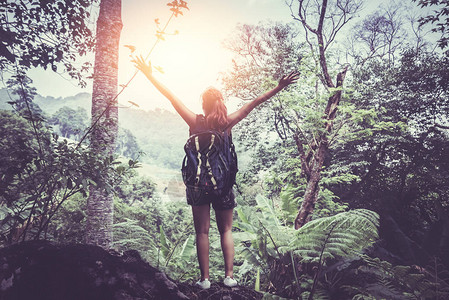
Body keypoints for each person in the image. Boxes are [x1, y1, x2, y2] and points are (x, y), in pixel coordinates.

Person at [133, 55, 299, 289]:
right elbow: (255, 102)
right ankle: (229, 277)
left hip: (198, 186)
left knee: (202, 232)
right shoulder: (227, 123)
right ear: (220, 103)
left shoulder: (194, 121)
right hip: (223, 186)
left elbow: (171, 97)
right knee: (226, 230)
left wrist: (149, 74)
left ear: (203, 104)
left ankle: (204, 280)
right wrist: (279, 87)